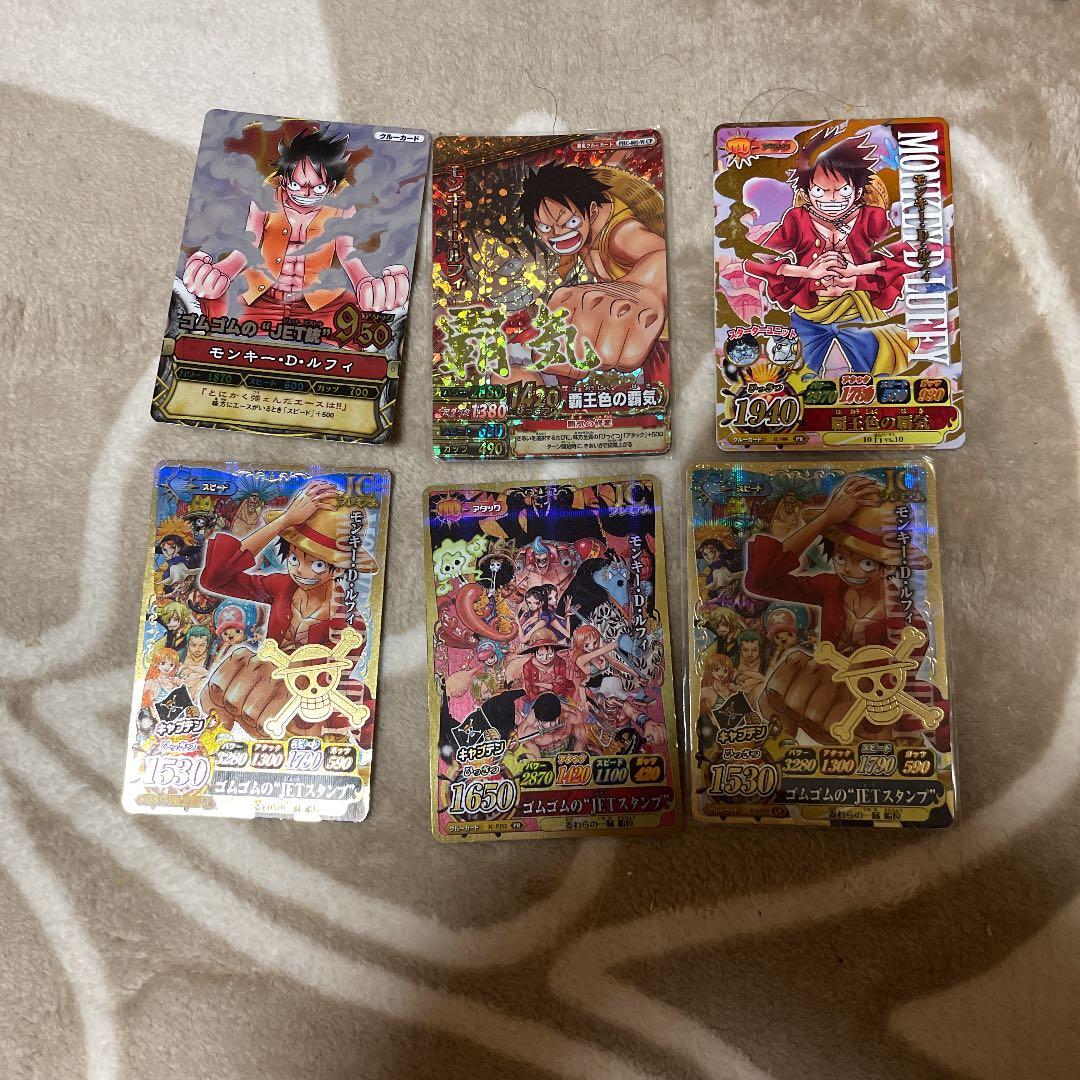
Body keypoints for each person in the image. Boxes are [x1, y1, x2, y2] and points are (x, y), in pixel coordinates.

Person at [182, 126, 408, 337]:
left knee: (368, 330)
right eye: (295, 185)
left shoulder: (342, 204)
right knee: (209, 318)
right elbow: (251, 241)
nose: (305, 194)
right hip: (260, 297)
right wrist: (223, 271)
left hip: (319, 303)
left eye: (318, 187)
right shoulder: (266, 197)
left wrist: (364, 283)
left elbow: (345, 249)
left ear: (331, 186)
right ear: (284, 179)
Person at [744, 126, 911, 376]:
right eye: (819, 191)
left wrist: (856, 274)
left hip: (859, 313)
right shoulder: (797, 219)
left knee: (865, 373)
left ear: (857, 190)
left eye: (842, 191)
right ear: (806, 192)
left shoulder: (871, 218)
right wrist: (808, 273)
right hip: (809, 315)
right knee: (804, 375)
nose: (831, 199)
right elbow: (753, 260)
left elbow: (909, 257)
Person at [516, 162, 668, 380]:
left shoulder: (621, 236)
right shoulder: (584, 234)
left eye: (570, 221)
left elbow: (662, 257)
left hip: (656, 337)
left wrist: (640, 289)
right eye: (546, 228)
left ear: (593, 211)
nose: (558, 233)